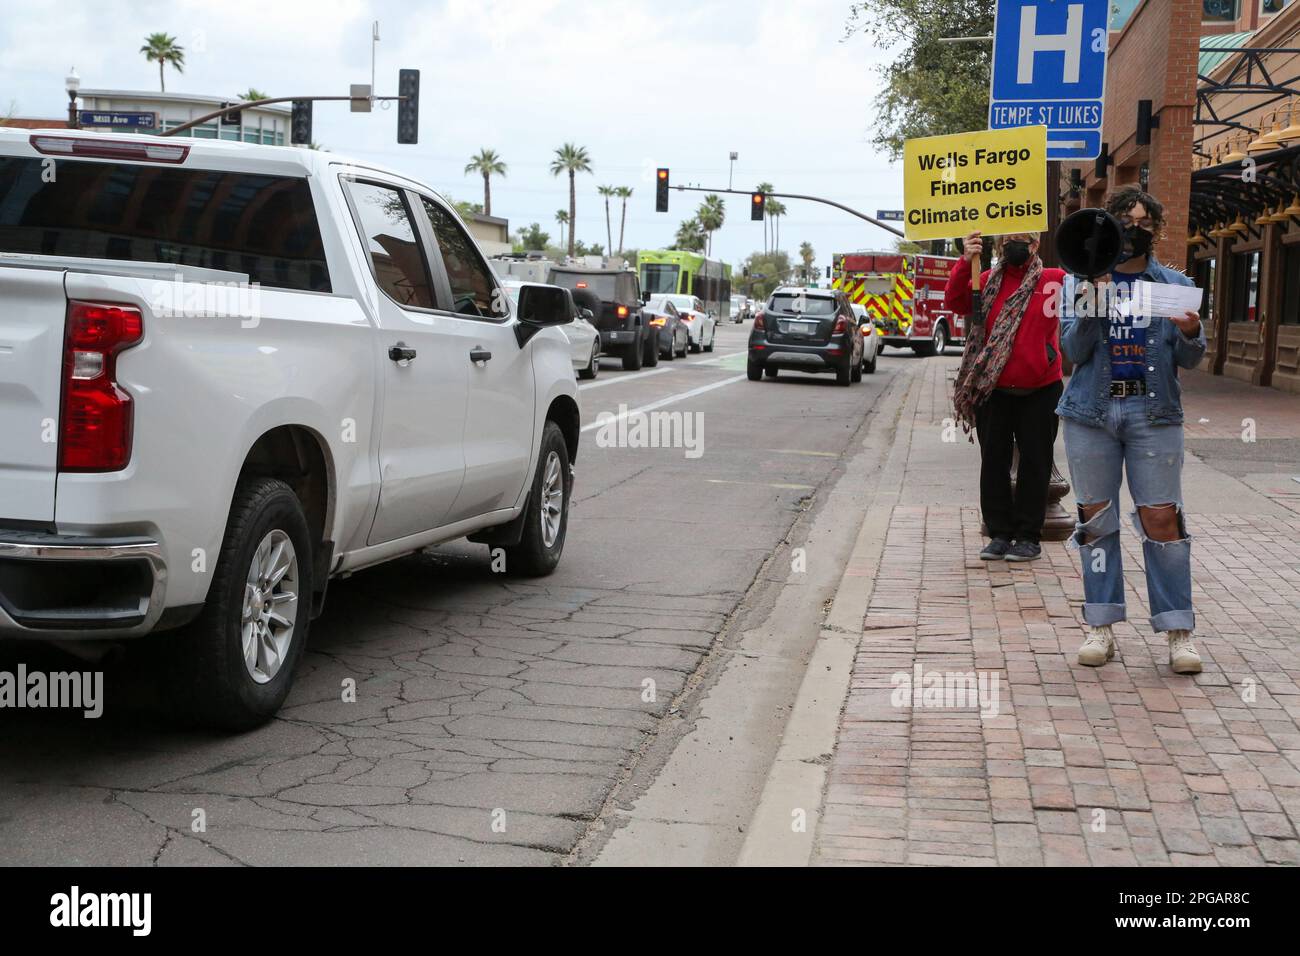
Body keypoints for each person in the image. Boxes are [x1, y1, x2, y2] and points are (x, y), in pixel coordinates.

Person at [1058, 185, 1208, 674]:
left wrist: (1191, 331)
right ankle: (1100, 624)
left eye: (1144, 221)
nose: (1134, 228)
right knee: (1095, 520)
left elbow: (1189, 357)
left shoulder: (1172, 283)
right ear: (1108, 227)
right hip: (1091, 416)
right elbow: (1073, 352)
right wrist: (1094, 297)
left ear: (1155, 229)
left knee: (1163, 519)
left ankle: (1178, 632)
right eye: (1125, 219)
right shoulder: (1079, 282)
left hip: (1154, 415)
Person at [946, 232, 1066, 562]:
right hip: (993, 388)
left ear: (1037, 244)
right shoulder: (983, 280)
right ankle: (999, 533)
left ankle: (1028, 536)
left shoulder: (1055, 280)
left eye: (1024, 240)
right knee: (994, 461)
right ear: (999, 244)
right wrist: (964, 259)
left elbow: (1090, 304)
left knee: (1035, 462)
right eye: (1010, 239)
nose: (1016, 245)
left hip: (1041, 389)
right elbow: (955, 303)